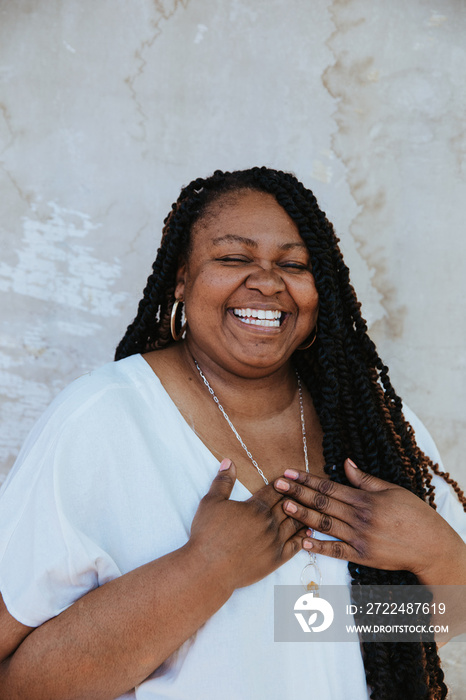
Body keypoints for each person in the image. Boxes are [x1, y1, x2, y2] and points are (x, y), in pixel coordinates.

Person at [0, 167, 465, 700]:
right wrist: (204, 572)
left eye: (293, 264)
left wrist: (440, 556)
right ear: (181, 278)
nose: (267, 281)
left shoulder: (375, 426)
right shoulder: (103, 418)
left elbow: (334, 635)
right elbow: (17, 684)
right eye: (233, 258)